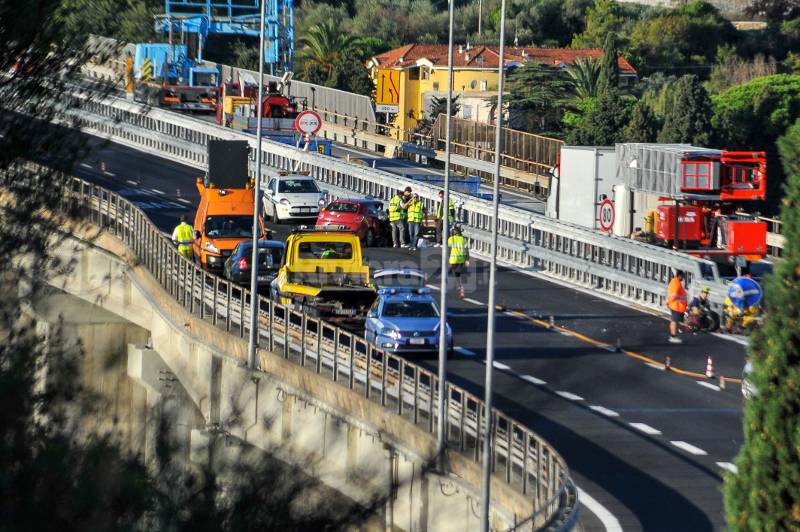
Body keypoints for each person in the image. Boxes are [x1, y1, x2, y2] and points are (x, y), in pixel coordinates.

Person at [447, 226, 469, 299]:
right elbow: (466, 250)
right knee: (458, 273)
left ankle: (460, 286)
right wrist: (467, 259)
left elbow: (449, 249)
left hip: (453, 259)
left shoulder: (451, 239)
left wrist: (448, 257)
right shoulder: (463, 239)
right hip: (461, 259)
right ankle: (460, 286)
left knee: (455, 273)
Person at [666, 270, 688, 343]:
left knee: (674, 321)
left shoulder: (675, 282)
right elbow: (674, 295)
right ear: (679, 276)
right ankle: (673, 336)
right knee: (674, 321)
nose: (683, 278)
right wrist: (681, 298)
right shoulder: (676, 283)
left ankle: (673, 335)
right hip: (676, 305)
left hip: (676, 305)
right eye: (682, 276)